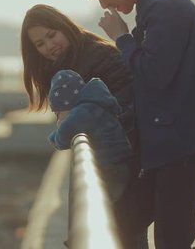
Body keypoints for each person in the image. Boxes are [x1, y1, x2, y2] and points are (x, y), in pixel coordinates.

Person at [77, 0, 195, 248]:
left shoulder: (163, 6)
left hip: (183, 145)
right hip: (169, 144)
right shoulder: (155, 1)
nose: (104, 4)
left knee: (171, 240)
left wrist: (122, 37)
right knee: (120, 221)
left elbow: (156, 74)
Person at [20, 5, 146, 248]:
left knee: (125, 232)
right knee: (121, 230)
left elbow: (125, 104)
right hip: (115, 156)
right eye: (40, 44)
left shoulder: (96, 56)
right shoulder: (71, 59)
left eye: (51, 35)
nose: (49, 46)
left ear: (64, 27)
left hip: (125, 157)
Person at [48, 69, 147, 249]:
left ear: (66, 103)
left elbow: (62, 139)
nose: (58, 117)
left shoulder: (82, 113)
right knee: (112, 208)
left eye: (57, 112)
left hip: (111, 168)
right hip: (121, 163)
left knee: (97, 206)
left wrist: (55, 133)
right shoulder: (95, 106)